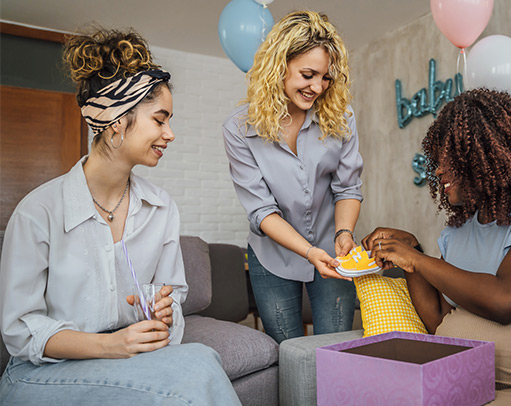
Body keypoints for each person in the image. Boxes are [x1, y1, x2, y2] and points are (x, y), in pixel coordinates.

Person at [0, 28, 240, 405]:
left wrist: (164, 313)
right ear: (116, 121)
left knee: (201, 359)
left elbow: (172, 299)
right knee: (193, 376)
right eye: (160, 119)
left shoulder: (161, 208)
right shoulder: (38, 212)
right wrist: (110, 345)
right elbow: (20, 331)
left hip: (123, 360)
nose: (170, 134)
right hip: (43, 374)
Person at [362, 88, 511, 405]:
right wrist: (410, 250)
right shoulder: (457, 232)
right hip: (458, 383)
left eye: (449, 158)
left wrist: (415, 258)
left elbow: (505, 299)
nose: (438, 169)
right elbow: (439, 318)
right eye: (437, 160)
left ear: (487, 154)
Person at [223, 11, 362, 344]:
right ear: (278, 66)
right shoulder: (239, 129)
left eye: (326, 77)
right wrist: (308, 251)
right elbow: (262, 211)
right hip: (272, 256)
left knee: (335, 348)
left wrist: (344, 233)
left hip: (332, 250)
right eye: (308, 74)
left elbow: (348, 188)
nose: (317, 87)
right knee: (289, 350)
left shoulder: (341, 117)